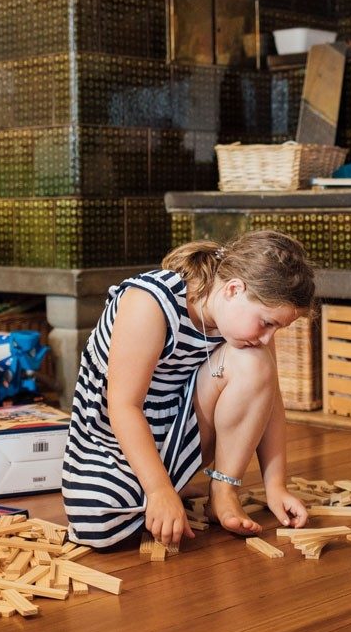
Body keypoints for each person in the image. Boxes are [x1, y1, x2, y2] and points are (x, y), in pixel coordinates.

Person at [62, 230, 315, 549]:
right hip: (111, 435)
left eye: (277, 327)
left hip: (178, 429)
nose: (268, 337)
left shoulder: (244, 327)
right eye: (267, 323)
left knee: (257, 363)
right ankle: (166, 485)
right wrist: (158, 491)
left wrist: (275, 484)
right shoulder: (150, 302)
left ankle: (222, 492)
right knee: (99, 525)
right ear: (234, 289)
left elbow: (269, 398)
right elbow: (123, 407)